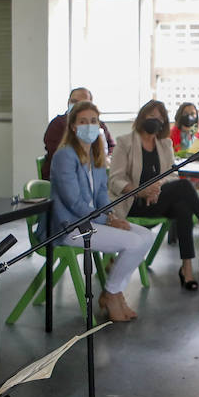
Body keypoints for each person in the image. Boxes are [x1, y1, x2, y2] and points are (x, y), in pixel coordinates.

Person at [108, 100, 199, 291]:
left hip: (155, 199)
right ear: (142, 118)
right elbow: (115, 180)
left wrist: (156, 187)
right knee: (183, 186)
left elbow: (171, 175)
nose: (155, 121)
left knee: (183, 206)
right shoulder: (125, 142)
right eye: (151, 117)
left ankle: (187, 268)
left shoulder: (165, 144)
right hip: (132, 203)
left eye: (160, 118)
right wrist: (142, 190)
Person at [48, 101, 154, 322]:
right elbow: (74, 202)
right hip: (70, 228)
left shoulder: (96, 158)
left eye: (94, 121)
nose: (89, 126)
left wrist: (112, 216)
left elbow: (101, 197)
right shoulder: (64, 156)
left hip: (93, 223)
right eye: (83, 121)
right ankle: (114, 294)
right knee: (132, 242)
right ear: (73, 127)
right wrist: (107, 220)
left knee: (146, 236)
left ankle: (112, 291)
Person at [41, 86, 113, 180]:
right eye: (74, 101)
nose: (77, 105)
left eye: (82, 103)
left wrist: (107, 158)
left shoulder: (98, 125)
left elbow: (111, 146)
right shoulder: (57, 124)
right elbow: (56, 152)